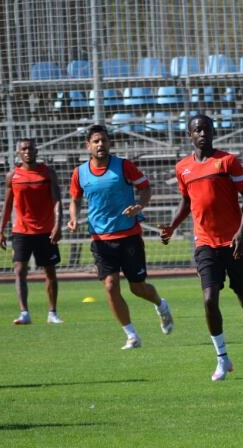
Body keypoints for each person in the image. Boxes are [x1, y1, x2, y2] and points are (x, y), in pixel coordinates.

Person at [159, 114, 243, 381]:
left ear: (213, 131)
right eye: (197, 130)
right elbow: (187, 202)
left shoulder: (227, 161)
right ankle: (222, 359)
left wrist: (242, 232)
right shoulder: (183, 168)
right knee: (209, 299)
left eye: (206, 129)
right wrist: (172, 226)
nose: (202, 133)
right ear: (190, 135)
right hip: (205, 243)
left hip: (234, 242)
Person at [67, 125, 173, 349]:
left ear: (109, 143)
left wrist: (138, 206)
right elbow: (75, 199)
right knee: (110, 285)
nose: (100, 145)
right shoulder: (80, 173)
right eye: (95, 141)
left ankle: (161, 305)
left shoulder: (123, 166)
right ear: (88, 146)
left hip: (129, 236)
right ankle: (132, 335)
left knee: (138, 288)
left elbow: (145, 188)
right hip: (100, 239)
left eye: (103, 140)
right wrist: (74, 218)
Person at [0, 138, 63, 325]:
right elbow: (7, 204)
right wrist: (1, 231)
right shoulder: (12, 176)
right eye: (24, 149)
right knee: (19, 270)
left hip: (45, 230)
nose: (28, 151)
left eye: (31, 148)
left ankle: (52, 313)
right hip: (21, 231)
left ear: (37, 151)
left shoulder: (48, 173)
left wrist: (58, 224)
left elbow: (57, 200)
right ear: (18, 152)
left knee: (50, 271)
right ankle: (24, 313)